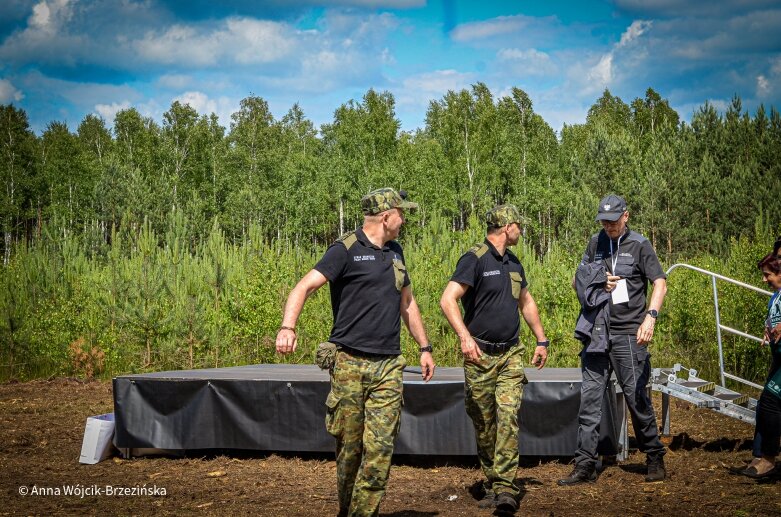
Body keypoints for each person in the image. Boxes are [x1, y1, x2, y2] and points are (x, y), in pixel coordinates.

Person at [275, 187, 436, 517]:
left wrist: (425, 347)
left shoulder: (396, 252)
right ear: (386, 216)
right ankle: (348, 510)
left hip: (389, 365)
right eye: (401, 214)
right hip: (349, 362)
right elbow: (303, 287)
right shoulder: (345, 249)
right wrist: (287, 327)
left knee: (380, 448)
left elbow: (408, 303)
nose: (404, 220)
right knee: (350, 449)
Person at [440, 204, 549, 513]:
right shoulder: (474, 259)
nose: (521, 231)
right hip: (480, 357)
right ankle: (491, 481)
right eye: (518, 225)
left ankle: (505, 487)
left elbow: (526, 303)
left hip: (510, 354)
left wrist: (541, 339)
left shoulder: (515, 264)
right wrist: (464, 337)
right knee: (484, 423)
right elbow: (448, 300)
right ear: (506, 227)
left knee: (508, 415)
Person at [558, 194, 668, 486]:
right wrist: (596, 280)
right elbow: (576, 279)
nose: (608, 226)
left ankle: (654, 456)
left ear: (626, 216)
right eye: (604, 222)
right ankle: (584, 465)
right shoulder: (596, 243)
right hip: (597, 333)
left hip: (629, 334)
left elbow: (660, 282)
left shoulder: (640, 245)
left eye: (613, 221)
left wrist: (650, 317)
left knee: (636, 397)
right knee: (590, 400)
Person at [739, 253, 781, 478]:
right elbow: (773, 318)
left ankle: (769, 459)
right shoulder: (775, 297)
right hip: (778, 357)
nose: (764, 279)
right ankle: (760, 455)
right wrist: (768, 327)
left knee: (769, 402)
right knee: (765, 404)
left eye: (768, 275)